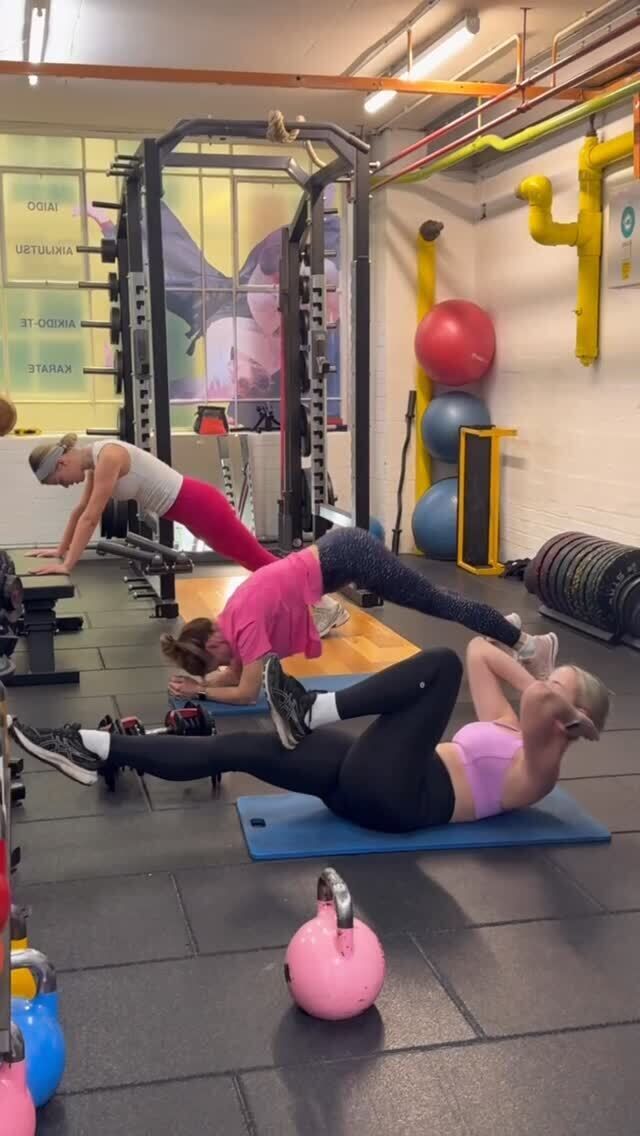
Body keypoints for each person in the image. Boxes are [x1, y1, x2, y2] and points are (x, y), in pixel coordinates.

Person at [8, 640, 608, 841]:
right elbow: (483, 651)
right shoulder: (507, 721)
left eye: (556, 687)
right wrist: (544, 676)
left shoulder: (541, 766)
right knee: (240, 748)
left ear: (570, 722)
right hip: (371, 779)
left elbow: (537, 701)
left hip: (405, 799)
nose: (541, 687)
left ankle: (312, 709)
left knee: (441, 666)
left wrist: (557, 698)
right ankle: (94, 748)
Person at [161, 525, 559, 706]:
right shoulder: (228, 622)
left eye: (217, 659)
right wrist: (200, 683)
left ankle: (529, 646)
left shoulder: (244, 627)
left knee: (438, 603)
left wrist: (202, 691)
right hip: (339, 553)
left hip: (351, 555)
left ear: (214, 640)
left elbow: (247, 693)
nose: (225, 663)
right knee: (436, 599)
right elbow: (234, 675)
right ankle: (504, 628)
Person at [26, 433, 346, 636]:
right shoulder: (96, 463)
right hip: (192, 513)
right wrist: (60, 551)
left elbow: (91, 517)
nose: (66, 485)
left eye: (60, 480)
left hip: (200, 505)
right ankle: (313, 599)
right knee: (253, 561)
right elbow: (80, 512)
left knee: (258, 559)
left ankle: (324, 602)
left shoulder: (108, 456)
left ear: (62, 462)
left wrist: (67, 565)